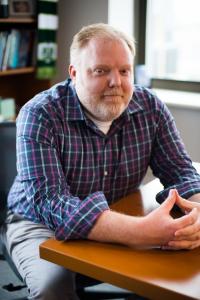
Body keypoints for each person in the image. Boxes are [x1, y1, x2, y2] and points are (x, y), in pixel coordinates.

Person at [1, 23, 200, 299]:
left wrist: (196, 212)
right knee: (52, 289)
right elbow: (51, 202)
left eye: (124, 71)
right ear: (73, 73)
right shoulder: (39, 114)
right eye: (100, 70)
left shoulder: (151, 108)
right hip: (38, 223)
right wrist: (138, 232)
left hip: (118, 211)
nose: (115, 82)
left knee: (176, 274)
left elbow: (180, 170)